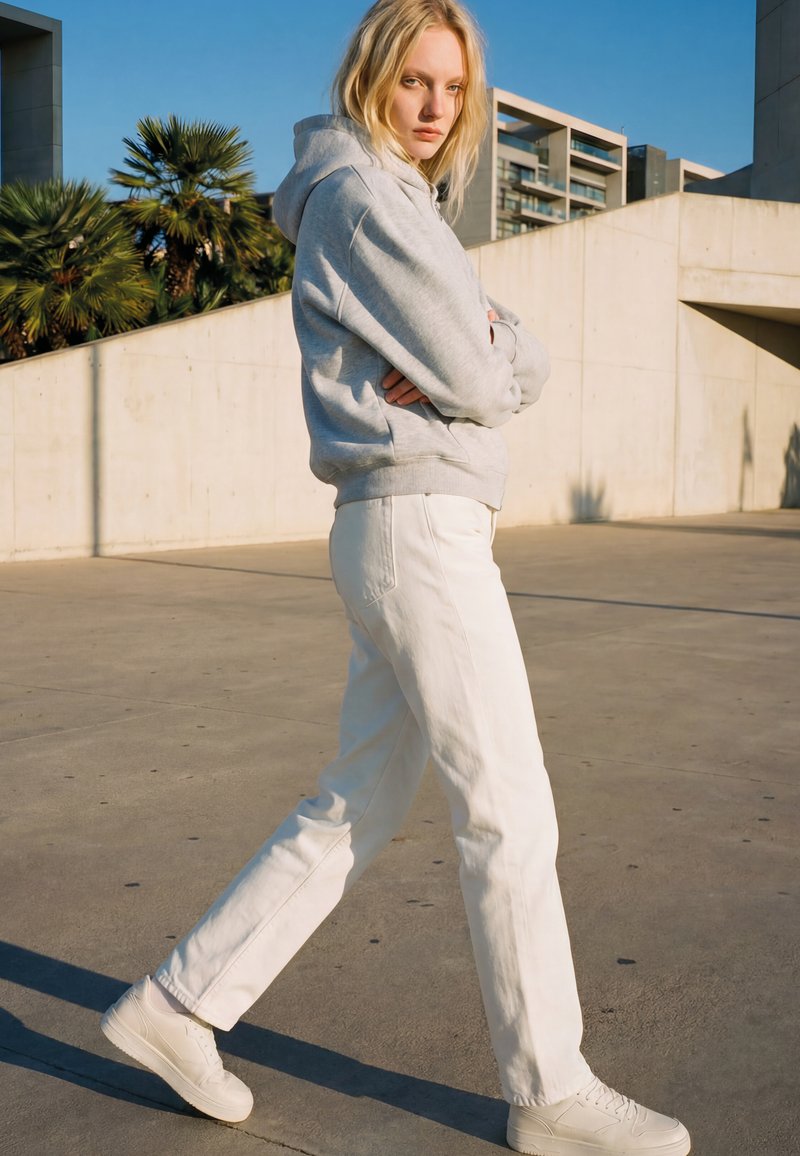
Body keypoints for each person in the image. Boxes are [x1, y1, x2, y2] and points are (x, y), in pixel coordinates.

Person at [100, 2, 691, 1153]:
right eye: (415, 81)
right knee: (508, 809)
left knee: (355, 802)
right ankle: (548, 1088)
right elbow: (480, 366)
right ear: (372, 75)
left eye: (453, 88)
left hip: (404, 523)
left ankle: (174, 1007)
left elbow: (502, 355)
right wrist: (480, 348)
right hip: (417, 524)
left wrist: (483, 348)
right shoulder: (369, 198)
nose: (434, 107)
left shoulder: (390, 197)